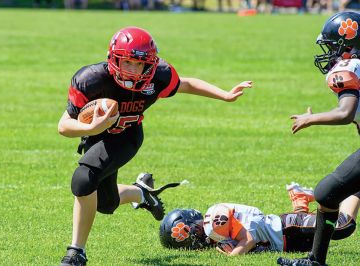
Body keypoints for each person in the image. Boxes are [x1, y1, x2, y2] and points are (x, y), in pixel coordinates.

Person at [57, 26, 253, 266]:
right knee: (105, 203)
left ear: (148, 65)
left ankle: (76, 252)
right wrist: (89, 129)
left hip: (126, 137)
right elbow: (64, 126)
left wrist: (224, 95)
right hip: (96, 137)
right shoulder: (91, 79)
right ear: (114, 58)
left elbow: (187, 84)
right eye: (126, 62)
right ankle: (142, 193)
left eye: (138, 64)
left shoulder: (159, 77)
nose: (132, 70)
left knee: (83, 180)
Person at [277, 11, 360, 266]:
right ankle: (315, 261)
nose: (330, 53)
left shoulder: (350, 68)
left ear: (348, 46)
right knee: (328, 193)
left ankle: (316, 261)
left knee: (327, 192)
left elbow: (346, 113)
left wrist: (310, 119)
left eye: (333, 47)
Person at [159, 183, 359, 255]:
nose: (193, 239)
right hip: (287, 242)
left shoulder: (215, 219)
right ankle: (300, 199)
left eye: (190, 233)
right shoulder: (214, 233)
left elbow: (249, 239)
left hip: (287, 228)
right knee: (314, 247)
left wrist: (234, 254)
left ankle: (354, 189)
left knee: (343, 227)